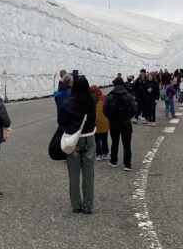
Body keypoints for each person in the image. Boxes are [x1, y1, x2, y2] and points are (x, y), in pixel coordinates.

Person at [58, 75, 98, 213]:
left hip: (73, 140)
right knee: (88, 174)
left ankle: (76, 205)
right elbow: (96, 93)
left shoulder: (68, 103)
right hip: (89, 138)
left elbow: (61, 121)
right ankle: (88, 206)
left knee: (74, 175)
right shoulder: (92, 99)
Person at [102, 77, 137, 170]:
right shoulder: (128, 96)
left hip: (114, 123)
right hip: (126, 123)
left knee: (115, 142)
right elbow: (134, 109)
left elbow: (105, 110)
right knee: (127, 144)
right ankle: (127, 164)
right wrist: (128, 117)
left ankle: (113, 161)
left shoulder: (110, 96)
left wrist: (111, 118)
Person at [92, 84, 110, 161]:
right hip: (105, 122)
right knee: (104, 139)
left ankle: (98, 153)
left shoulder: (93, 100)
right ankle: (105, 153)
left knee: (97, 139)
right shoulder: (105, 99)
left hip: (96, 122)